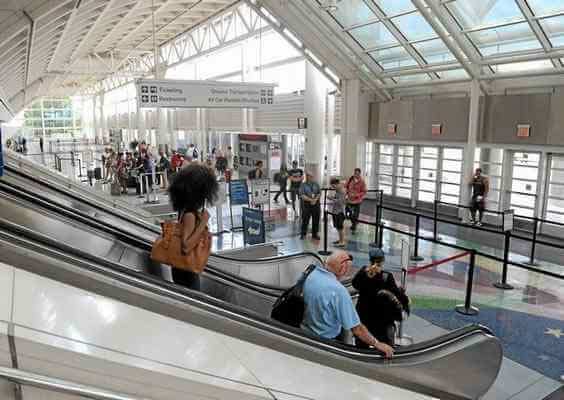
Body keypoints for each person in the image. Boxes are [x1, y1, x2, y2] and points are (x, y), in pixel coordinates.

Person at [302, 251, 394, 358]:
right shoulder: (338, 291)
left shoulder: (312, 273)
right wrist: (377, 344)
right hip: (326, 341)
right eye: (348, 268)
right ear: (343, 268)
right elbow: (357, 329)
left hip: (306, 332)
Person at [168, 164, 218, 290]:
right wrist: (203, 223)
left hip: (180, 268)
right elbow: (186, 246)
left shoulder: (184, 210)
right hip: (187, 270)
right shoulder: (190, 214)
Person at [352, 248, 410, 348]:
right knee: (385, 347)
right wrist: (403, 295)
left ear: (370, 260)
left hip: (363, 319)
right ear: (383, 261)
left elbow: (355, 285)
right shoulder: (387, 277)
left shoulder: (362, 272)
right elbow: (397, 295)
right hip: (383, 321)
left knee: (361, 347)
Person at [300, 171, 321, 240]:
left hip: (316, 204)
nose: (309, 177)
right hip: (307, 204)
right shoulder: (303, 185)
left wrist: (315, 200)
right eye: (308, 176)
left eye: (311, 176)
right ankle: (303, 234)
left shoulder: (316, 184)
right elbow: (302, 195)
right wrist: (311, 200)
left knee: (316, 219)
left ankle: (315, 234)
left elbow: (319, 193)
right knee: (305, 219)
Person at [346, 168, 367, 233]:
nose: (356, 175)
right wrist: (347, 193)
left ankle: (354, 226)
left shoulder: (362, 181)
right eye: (355, 173)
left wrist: (357, 195)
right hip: (349, 200)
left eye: (357, 174)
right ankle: (355, 222)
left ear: (359, 174)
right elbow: (346, 186)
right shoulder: (350, 179)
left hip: (357, 201)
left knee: (355, 214)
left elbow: (364, 191)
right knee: (349, 213)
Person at [329, 177, 347, 247]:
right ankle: (340, 240)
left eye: (333, 186)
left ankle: (342, 241)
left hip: (340, 212)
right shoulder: (338, 190)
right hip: (336, 211)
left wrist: (332, 199)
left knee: (340, 227)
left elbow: (340, 202)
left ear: (336, 184)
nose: (333, 188)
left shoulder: (342, 191)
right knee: (337, 227)